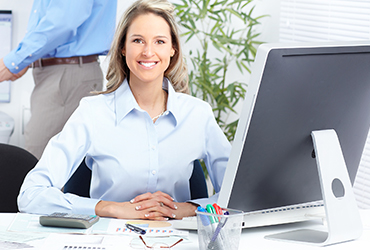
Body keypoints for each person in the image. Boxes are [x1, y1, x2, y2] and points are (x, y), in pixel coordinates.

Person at [18, 0, 231, 221]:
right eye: (138, 40)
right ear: (123, 48)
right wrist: (109, 208)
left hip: (178, 239)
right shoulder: (93, 113)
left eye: (159, 41)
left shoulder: (198, 115)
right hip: (111, 238)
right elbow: (30, 195)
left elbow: (237, 196)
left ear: (172, 49)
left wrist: (191, 208)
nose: (148, 51)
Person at [0, 0, 117, 159]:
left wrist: (13, 61)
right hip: (65, 73)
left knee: (36, 160)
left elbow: (63, 22)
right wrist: (27, 60)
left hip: (66, 75)